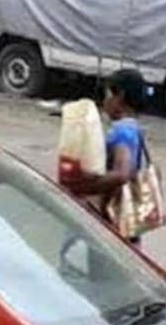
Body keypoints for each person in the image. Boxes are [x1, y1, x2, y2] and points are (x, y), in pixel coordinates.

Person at [64, 69, 152, 245]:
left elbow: (122, 173)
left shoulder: (121, 131)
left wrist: (86, 186)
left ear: (119, 96)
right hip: (127, 217)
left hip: (113, 220)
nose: (104, 102)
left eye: (106, 95)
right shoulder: (134, 128)